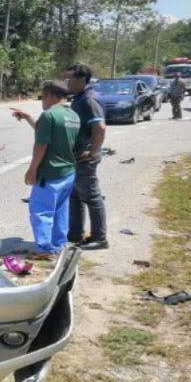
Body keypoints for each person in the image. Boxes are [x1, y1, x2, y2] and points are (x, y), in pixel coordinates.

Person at [11, 81, 80, 259]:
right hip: (68, 173)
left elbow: (41, 144)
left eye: (43, 97)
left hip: (50, 174)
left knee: (41, 211)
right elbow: (49, 133)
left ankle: (45, 249)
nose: (42, 101)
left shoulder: (49, 115)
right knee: (60, 211)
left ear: (51, 95)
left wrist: (32, 169)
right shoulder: (73, 115)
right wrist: (28, 118)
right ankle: (58, 245)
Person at [64, 63, 108, 250]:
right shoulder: (80, 97)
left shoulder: (89, 100)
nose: (67, 82)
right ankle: (75, 234)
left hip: (85, 157)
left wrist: (93, 152)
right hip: (77, 157)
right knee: (75, 197)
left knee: (91, 196)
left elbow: (100, 127)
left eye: (70, 79)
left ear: (82, 80)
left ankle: (99, 237)